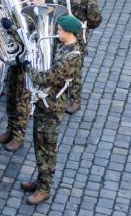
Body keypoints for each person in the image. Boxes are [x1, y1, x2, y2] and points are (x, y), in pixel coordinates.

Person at [18, 15, 83, 205]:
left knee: (47, 147)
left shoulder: (71, 57)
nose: (57, 32)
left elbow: (46, 78)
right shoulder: (63, 46)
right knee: (39, 143)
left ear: (69, 33)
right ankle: (40, 180)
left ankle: (44, 188)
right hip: (45, 102)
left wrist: (29, 67)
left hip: (52, 107)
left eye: (60, 30)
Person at [0, 0, 54, 153]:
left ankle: (19, 136)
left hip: (30, 64)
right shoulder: (29, 10)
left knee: (22, 101)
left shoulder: (44, 16)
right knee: (11, 97)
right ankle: (10, 130)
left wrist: (12, 28)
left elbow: (30, 41)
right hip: (17, 60)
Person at [56, 0, 102, 114]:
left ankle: (75, 100)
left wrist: (80, 27)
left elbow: (96, 20)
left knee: (75, 69)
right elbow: (60, 7)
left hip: (77, 38)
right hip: (62, 33)